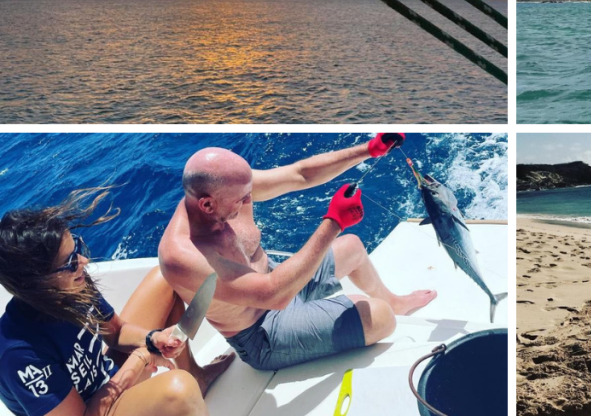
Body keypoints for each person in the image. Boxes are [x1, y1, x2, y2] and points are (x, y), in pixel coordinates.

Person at [158, 133, 438, 371]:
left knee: (352, 247)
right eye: (242, 199)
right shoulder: (183, 254)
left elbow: (300, 174)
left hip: (275, 281)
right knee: (381, 317)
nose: (248, 200)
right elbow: (273, 295)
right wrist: (334, 223)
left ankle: (396, 301)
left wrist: (368, 150)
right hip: (262, 332)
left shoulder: (227, 188)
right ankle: (368, 310)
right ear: (207, 205)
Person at [0, 188, 234, 416]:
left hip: (106, 382)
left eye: (77, 248)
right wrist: (138, 360)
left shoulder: (71, 285)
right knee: (179, 389)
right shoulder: (18, 354)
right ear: (37, 284)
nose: (83, 260)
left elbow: (116, 332)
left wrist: (153, 339)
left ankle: (197, 379)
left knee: (164, 279)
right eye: (71, 262)